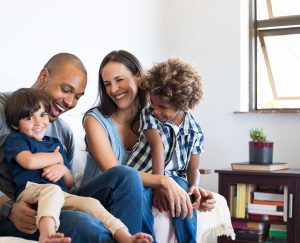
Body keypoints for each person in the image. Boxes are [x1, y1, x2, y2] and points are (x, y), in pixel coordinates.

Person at [0, 52, 146, 243]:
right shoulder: (4, 109)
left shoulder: (63, 132)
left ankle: (128, 237)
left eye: (77, 96)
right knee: (85, 225)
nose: (70, 103)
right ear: (44, 77)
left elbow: (69, 186)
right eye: (65, 89)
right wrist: (8, 209)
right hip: (22, 208)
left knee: (127, 175)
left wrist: (62, 168)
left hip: (60, 199)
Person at [80, 50, 216, 243]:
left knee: (178, 190)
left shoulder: (155, 115)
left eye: (119, 80)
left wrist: (192, 189)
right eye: (107, 83)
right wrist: (163, 181)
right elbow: (116, 173)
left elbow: (179, 163)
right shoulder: (95, 121)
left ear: (139, 77)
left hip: (136, 189)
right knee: (133, 183)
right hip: (101, 194)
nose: (113, 89)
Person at [126, 58, 204, 242]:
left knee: (183, 196)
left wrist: (194, 187)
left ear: (183, 103)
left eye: (163, 107)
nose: (156, 110)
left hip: (175, 177)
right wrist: (160, 184)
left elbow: (193, 168)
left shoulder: (194, 129)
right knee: (141, 198)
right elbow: (157, 146)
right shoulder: (149, 115)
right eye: (153, 103)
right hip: (143, 173)